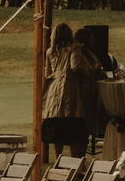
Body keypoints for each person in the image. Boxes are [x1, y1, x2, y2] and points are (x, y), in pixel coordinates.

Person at [41, 22, 99, 162]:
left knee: (57, 122)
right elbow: (76, 66)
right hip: (70, 87)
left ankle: (58, 159)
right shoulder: (74, 48)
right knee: (74, 122)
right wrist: (90, 70)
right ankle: (74, 161)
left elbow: (47, 73)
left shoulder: (50, 51)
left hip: (54, 88)